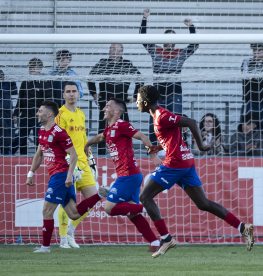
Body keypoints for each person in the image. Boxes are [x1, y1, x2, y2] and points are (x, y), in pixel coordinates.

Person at [135, 85, 255, 258]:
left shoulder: (161, 116)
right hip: (186, 161)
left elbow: (190, 122)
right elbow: (172, 137)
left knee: (145, 197)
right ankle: (243, 228)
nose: (137, 102)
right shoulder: (160, 115)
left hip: (175, 163)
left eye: (138, 99)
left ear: (145, 102)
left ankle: (166, 238)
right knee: (203, 203)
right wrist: (158, 146)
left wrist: (200, 145)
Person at [26, 100, 106, 253]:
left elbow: (74, 154)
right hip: (58, 175)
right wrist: (30, 173)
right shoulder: (42, 130)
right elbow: (39, 154)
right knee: (73, 213)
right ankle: (100, 195)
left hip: (61, 175)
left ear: (49, 114)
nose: (37, 113)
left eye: (40, 111)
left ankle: (45, 247)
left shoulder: (59, 133)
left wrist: (69, 175)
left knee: (46, 211)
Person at [84, 98, 163, 252]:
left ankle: (146, 207)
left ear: (116, 111)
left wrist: (154, 156)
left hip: (128, 175)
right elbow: (101, 137)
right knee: (132, 214)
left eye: (107, 106)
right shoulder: (109, 129)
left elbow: (143, 137)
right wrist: (88, 143)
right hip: (129, 175)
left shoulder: (122, 125)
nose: (104, 109)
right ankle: (154, 242)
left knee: (109, 208)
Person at [53, 82, 102, 249]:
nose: (72, 94)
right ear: (63, 95)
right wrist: (66, 160)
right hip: (69, 162)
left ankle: (71, 231)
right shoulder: (60, 114)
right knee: (68, 200)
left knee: (92, 198)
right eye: (68, 91)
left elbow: (82, 137)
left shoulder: (81, 113)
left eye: (74, 91)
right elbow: (57, 140)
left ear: (79, 94)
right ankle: (62, 240)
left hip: (83, 161)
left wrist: (91, 159)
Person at [140, 9, 199, 146]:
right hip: (157, 94)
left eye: (173, 38)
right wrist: (144, 18)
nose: (169, 41)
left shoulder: (180, 53)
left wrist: (191, 26)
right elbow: (142, 38)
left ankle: (175, 148)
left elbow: (195, 44)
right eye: (167, 37)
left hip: (175, 93)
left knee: (175, 122)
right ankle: (154, 148)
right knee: (155, 122)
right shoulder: (156, 50)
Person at [88, 44, 143, 155]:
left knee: (124, 127)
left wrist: (135, 96)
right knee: (103, 127)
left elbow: (140, 79)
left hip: (120, 102)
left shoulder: (127, 64)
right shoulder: (103, 62)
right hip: (105, 101)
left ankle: (125, 151)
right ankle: (101, 153)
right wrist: (94, 94)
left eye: (114, 48)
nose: (111, 50)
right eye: (110, 48)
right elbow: (90, 78)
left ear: (121, 52)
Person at [13, 58, 53, 155]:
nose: (32, 69)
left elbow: (48, 101)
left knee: (38, 140)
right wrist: (16, 114)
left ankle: (38, 159)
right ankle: (23, 157)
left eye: (35, 67)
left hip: (38, 118)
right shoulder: (25, 82)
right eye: (30, 67)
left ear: (40, 69)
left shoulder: (45, 83)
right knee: (21, 139)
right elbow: (20, 99)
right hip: (25, 116)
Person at [0, 70, 18, 155]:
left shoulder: (7, 84)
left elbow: (15, 90)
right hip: (5, 113)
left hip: (6, 113)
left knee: (7, 138)